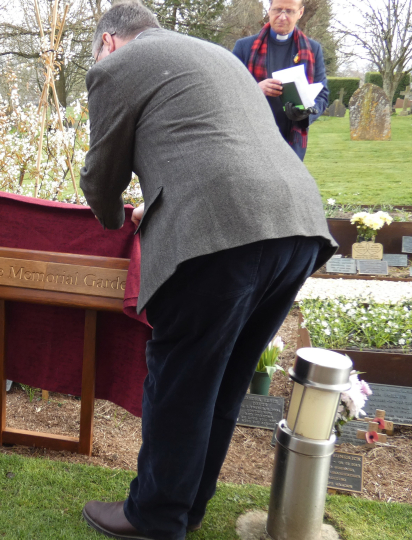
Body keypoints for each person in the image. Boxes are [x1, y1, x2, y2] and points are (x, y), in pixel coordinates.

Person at [78, 3, 336, 540]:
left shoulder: (114, 67)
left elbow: (103, 173)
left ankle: (153, 517)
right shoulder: (218, 55)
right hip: (298, 223)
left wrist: (111, 220)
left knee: (181, 380)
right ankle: (187, 506)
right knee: (224, 378)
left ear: (108, 43)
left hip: (219, 232)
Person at [233, 0, 329, 161]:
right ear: (269, 10)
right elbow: (228, 90)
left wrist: (305, 114)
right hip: (251, 137)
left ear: (300, 13)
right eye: (277, 10)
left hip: (292, 139)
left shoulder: (312, 49)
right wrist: (255, 89)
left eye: (289, 11)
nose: (282, 17)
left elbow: (322, 95)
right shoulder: (244, 47)